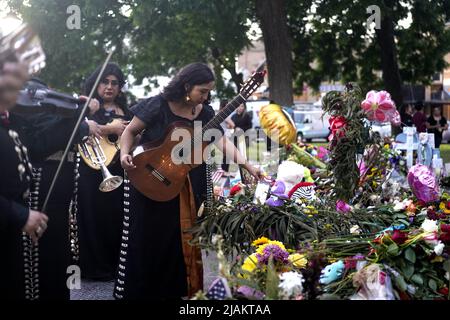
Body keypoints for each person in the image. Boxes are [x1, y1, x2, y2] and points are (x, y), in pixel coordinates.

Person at [115, 62, 262, 299]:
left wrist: (247, 164)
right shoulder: (159, 104)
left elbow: (221, 142)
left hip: (183, 183)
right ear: (186, 86)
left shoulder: (205, 113)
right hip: (148, 177)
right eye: (202, 91)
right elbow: (130, 132)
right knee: (147, 237)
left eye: (209, 92)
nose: (206, 97)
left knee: (176, 240)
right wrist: (123, 154)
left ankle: (171, 291)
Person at [77, 62, 132, 281]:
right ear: (96, 83)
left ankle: (115, 265)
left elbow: (132, 139)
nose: (109, 87)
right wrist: (112, 128)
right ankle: (95, 268)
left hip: (118, 169)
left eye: (114, 83)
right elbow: (80, 129)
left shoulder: (126, 110)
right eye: (105, 82)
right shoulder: (87, 105)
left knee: (117, 216)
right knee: (92, 216)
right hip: (91, 172)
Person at [218, 99, 235, 173]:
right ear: (224, 105)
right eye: (227, 104)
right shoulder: (224, 114)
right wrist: (229, 127)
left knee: (225, 153)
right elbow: (233, 125)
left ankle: (223, 168)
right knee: (227, 153)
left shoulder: (219, 113)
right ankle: (225, 169)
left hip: (221, 134)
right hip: (226, 135)